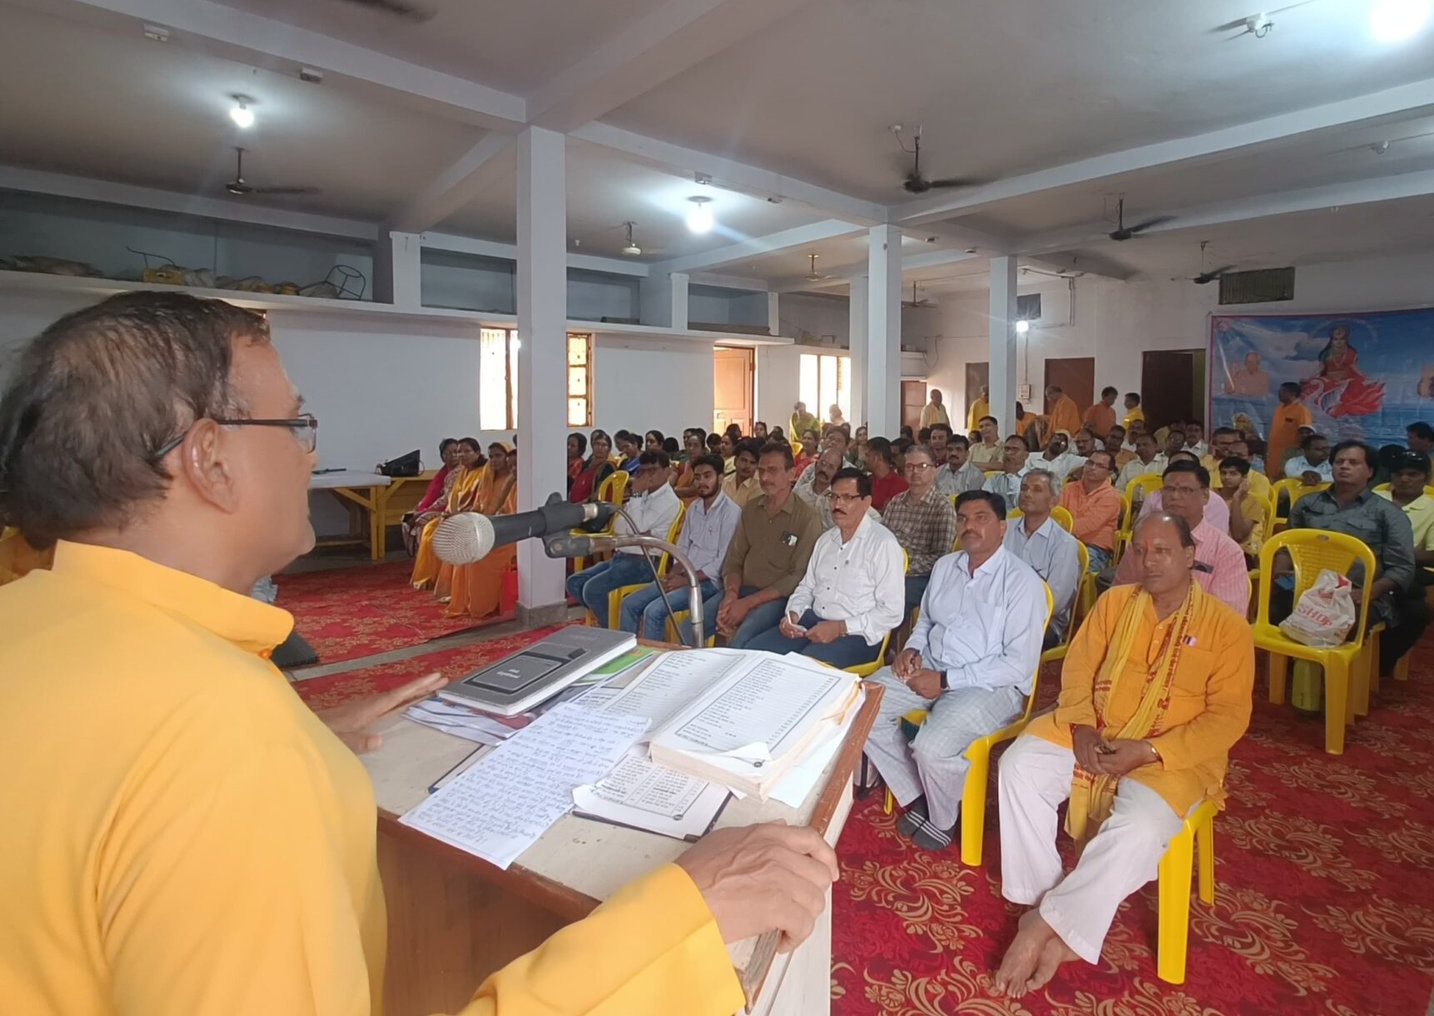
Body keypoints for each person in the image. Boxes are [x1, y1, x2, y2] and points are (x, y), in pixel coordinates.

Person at [0, 291, 836, 1014]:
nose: (311, 452)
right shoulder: (219, 741)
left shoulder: (34, 626)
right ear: (209, 460)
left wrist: (296, 738)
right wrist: (684, 917)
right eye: (296, 423)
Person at [994, 513, 1254, 995]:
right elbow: (1078, 671)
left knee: (1142, 826)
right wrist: (1083, 728)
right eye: (1140, 550)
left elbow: (1228, 717)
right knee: (1018, 767)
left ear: (1189, 556)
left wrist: (1151, 749)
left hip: (1170, 753)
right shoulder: (1114, 603)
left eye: (1163, 551)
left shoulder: (1227, 628)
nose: (1149, 560)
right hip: (1095, 728)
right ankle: (1045, 897)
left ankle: (1042, 924)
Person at [862, 490, 1048, 852]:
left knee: (931, 749)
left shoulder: (1022, 583)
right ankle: (922, 793)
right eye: (963, 518)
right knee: (861, 704)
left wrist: (946, 681)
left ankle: (943, 816)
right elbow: (927, 620)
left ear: (1002, 528)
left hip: (992, 686)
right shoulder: (946, 566)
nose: (969, 526)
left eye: (981, 518)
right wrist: (912, 649)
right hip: (932, 664)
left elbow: (1017, 664)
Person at [1278, 441, 1419, 675]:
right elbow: (1286, 548)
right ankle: (1293, 674)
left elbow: (1402, 567)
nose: (1344, 466)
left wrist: (1368, 593)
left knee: (1340, 627)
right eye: (1339, 462)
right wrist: (1279, 571)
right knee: (1270, 607)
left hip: (1358, 593)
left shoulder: (1388, 513)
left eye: (1353, 463)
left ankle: (1330, 680)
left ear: (1370, 471)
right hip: (1304, 586)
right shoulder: (1307, 504)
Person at [741, 468, 904, 667]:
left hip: (857, 634)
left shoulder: (883, 544)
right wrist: (793, 614)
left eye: (847, 497)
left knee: (800, 669)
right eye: (833, 497)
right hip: (812, 621)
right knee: (753, 654)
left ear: (866, 502)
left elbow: (892, 611)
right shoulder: (826, 540)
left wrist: (840, 628)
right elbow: (806, 587)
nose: (837, 504)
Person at [618, 453, 739, 642]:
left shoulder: (731, 512)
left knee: (654, 611)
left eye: (707, 476)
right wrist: (674, 573)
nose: (701, 482)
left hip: (709, 583)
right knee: (629, 603)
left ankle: (656, 657)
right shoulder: (694, 508)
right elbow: (681, 548)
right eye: (697, 477)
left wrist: (685, 580)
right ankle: (628, 653)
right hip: (685, 574)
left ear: (721, 478)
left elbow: (721, 563)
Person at [718, 443, 824, 647]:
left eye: (773, 471)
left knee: (740, 641)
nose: (765, 478)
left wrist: (746, 604)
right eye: (762, 471)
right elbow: (734, 560)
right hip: (741, 589)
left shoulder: (807, 518)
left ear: (792, 474)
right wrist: (731, 595)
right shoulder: (751, 509)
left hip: (777, 599)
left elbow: (797, 576)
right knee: (693, 622)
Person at [1112, 461, 1250, 614]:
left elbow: (1228, 615)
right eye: (1169, 489)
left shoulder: (1226, 551)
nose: (1175, 496)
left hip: (1198, 626)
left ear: (1205, 496)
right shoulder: (1143, 540)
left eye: (1185, 490)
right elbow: (1119, 596)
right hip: (1140, 622)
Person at [564, 449, 680, 623]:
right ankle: (612, 620)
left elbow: (636, 527)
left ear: (667, 471)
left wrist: (636, 496)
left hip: (644, 563)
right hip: (623, 557)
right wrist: (638, 532)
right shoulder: (643, 495)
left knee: (592, 590)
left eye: (653, 470)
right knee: (574, 582)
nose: (647, 476)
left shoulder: (668, 500)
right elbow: (619, 527)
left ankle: (612, 629)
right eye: (643, 471)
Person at [439, 441, 520, 618]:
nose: (494, 460)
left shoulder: (521, 485)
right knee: (465, 545)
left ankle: (483, 604)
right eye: (491, 456)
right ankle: (465, 598)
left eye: (498, 456)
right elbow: (483, 507)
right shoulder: (493, 479)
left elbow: (515, 517)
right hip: (495, 528)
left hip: (514, 535)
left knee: (479, 556)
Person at [1384, 452, 1434, 649]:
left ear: (1427, 477)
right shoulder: (1372, 499)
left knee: (1416, 613)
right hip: (1359, 565)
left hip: (1403, 568)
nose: (1404, 479)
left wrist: (1385, 555)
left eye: (1412, 474)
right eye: (1398, 474)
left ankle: (1384, 659)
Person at [1005, 470, 1084, 644]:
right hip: (997, 611)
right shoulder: (1002, 530)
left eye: (1037, 489)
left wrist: (1011, 611)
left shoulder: (1064, 543)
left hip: (1043, 621)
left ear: (1053, 501)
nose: (1027, 494)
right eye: (1024, 488)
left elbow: (1056, 601)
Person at [883, 447, 960, 617]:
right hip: (887, 569)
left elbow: (941, 557)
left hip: (920, 577)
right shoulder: (895, 502)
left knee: (890, 599)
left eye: (922, 466)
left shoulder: (942, 507)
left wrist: (902, 567)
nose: (915, 472)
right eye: (910, 467)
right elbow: (882, 542)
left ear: (934, 470)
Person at [410, 438, 486, 590]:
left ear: (477, 453)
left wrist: (455, 514)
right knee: (429, 530)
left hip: (471, 514)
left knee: (436, 533)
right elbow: (452, 497)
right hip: (453, 512)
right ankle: (432, 577)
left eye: (466, 451)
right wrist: (449, 513)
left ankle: (442, 578)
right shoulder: (462, 472)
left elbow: (478, 499)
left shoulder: (482, 472)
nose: (460, 455)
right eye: (459, 451)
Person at [1059, 450, 1121, 573]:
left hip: (1093, 547)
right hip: (1063, 541)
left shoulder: (1111, 496)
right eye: (1090, 463)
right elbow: (1057, 514)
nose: (1092, 468)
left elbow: (1088, 525)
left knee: (1069, 571)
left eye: (1100, 466)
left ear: (1109, 473)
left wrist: (1059, 533)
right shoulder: (1068, 488)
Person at [403, 437, 461, 554]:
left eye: (456, 452)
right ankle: (416, 556)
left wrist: (423, 512)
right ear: (442, 457)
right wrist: (420, 508)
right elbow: (432, 494)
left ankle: (427, 556)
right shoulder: (444, 472)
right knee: (406, 518)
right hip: (440, 507)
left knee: (420, 521)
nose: (453, 455)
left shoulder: (459, 472)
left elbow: (447, 498)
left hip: (452, 509)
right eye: (448, 453)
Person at [1215, 455, 1266, 559]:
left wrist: (1236, 499)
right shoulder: (1210, 495)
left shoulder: (1253, 502)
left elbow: (1239, 536)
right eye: (1223, 473)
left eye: (1233, 474)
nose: (1227, 477)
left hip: (1237, 551)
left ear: (1244, 478)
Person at [1266, 382, 1315, 479]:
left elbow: (1306, 434)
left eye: (1283, 391)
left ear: (1293, 393)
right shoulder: (1279, 409)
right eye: (1280, 390)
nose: (1279, 393)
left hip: (1290, 456)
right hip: (1273, 453)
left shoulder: (1302, 411)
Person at [794, 446, 844, 520]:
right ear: (816, 463)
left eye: (831, 467)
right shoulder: (800, 493)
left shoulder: (840, 500)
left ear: (838, 472)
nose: (824, 469)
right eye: (822, 463)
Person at [985, 435, 1033, 511]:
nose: (1009, 453)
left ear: (1026, 455)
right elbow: (984, 502)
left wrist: (1012, 475)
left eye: (1015, 449)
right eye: (1006, 449)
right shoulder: (994, 479)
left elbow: (1023, 506)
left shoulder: (1034, 479)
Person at [865, 436, 910, 511]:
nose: (864, 459)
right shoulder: (867, 481)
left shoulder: (900, 485)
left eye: (867, 455)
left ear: (878, 457)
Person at [935, 434, 985, 498]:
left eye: (958, 449)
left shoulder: (976, 475)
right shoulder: (938, 472)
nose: (953, 453)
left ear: (967, 453)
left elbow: (974, 501)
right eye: (950, 449)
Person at [722, 437, 762, 508]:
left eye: (752, 463)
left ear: (757, 466)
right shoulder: (725, 482)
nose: (747, 466)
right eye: (743, 460)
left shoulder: (759, 486)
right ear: (735, 461)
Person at [671, 428, 708, 496]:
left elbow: (694, 490)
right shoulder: (682, 465)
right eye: (689, 445)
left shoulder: (705, 466)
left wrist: (673, 491)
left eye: (696, 445)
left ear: (703, 449)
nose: (691, 448)